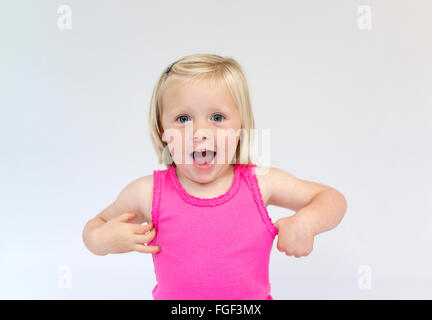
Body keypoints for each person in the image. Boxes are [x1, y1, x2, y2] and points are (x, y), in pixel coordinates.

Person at [82, 53, 347, 300]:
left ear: (240, 129)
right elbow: (95, 226)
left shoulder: (261, 183)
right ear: (162, 129)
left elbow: (331, 198)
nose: (200, 131)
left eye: (217, 117)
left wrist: (308, 222)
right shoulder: (148, 192)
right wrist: (102, 240)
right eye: (183, 118)